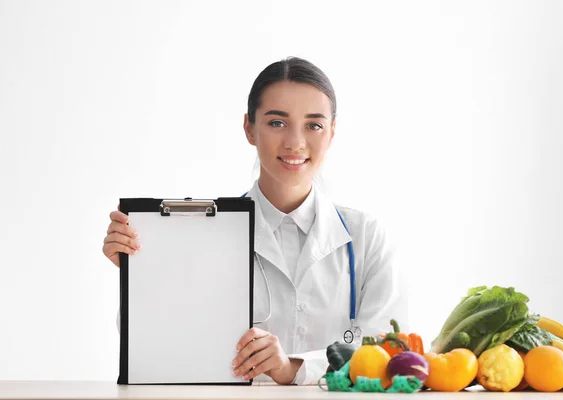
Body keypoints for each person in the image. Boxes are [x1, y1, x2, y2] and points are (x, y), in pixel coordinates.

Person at [102, 56, 408, 385]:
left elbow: (386, 353)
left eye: (313, 125)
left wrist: (292, 367)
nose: (295, 142)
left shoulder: (366, 238)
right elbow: (157, 348)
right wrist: (142, 276)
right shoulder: (206, 234)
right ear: (249, 128)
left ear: (332, 131)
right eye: (277, 123)